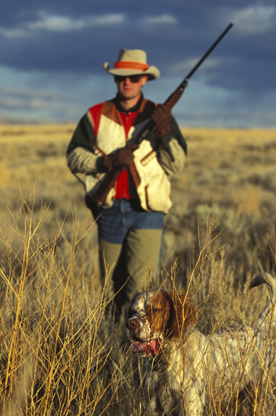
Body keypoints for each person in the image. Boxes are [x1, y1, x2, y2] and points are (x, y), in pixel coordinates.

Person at [66, 48, 187, 314]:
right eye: (122, 77)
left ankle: (136, 353)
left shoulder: (159, 116)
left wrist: (165, 131)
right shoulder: (96, 115)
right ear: (115, 80)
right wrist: (106, 162)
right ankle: (110, 348)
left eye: (133, 77)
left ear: (145, 80)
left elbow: (176, 165)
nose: (127, 82)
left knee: (141, 294)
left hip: (147, 212)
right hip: (109, 210)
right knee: (110, 291)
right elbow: (74, 156)